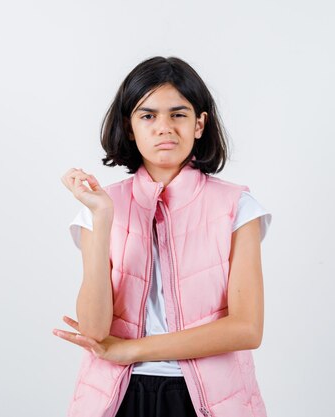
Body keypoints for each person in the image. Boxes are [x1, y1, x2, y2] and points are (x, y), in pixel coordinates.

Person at [53, 56, 272, 417]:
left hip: (209, 399)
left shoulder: (238, 206)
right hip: (117, 397)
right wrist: (103, 217)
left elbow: (247, 329)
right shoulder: (101, 207)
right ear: (129, 125)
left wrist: (131, 349)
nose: (164, 127)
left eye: (179, 114)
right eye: (148, 115)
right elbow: (94, 329)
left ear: (200, 124)